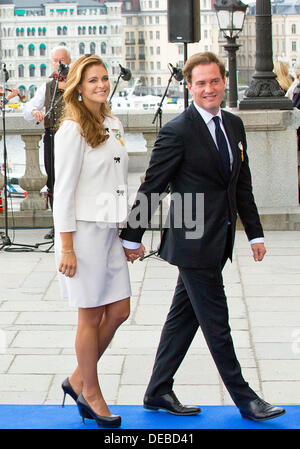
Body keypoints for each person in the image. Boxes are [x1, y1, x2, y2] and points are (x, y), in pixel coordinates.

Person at [120, 52, 286, 422]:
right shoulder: (177, 130)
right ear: (189, 86)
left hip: (219, 238)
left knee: (184, 317)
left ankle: (158, 389)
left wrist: (254, 234)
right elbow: (153, 186)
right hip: (192, 242)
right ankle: (246, 400)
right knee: (216, 321)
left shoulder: (234, 125)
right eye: (200, 83)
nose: (208, 88)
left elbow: (241, 185)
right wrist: (131, 238)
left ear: (225, 81)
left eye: (214, 81)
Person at [53, 54, 134, 428]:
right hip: (83, 233)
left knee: (119, 311)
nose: (101, 84)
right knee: (90, 316)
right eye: (92, 81)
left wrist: (126, 231)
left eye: (103, 78)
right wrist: (66, 246)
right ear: (78, 87)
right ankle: (91, 393)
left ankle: (75, 379)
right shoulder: (71, 130)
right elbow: (64, 191)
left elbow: (118, 181)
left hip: (109, 232)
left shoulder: (112, 122)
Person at [23, 45, 71, 239]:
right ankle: (58, 224)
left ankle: (73, 224)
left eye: (62, 60)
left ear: (69, 61)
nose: (59, 64)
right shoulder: (48, 86)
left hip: (73, 138)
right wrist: (35, 112)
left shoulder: (79, 82)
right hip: (52, 137)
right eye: (55, 60)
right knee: (53, 182)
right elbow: (28, 109)